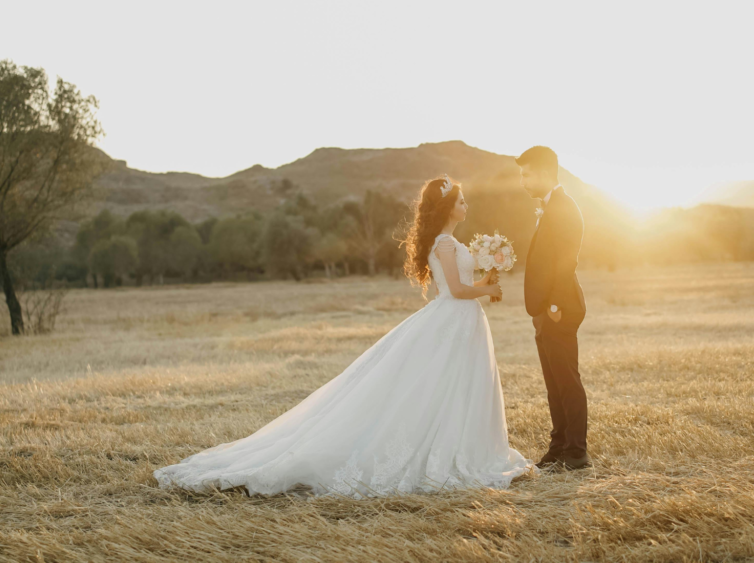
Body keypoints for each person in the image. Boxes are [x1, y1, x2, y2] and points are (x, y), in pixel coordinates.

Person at [153, 174, 535, 497]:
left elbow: (459, 284)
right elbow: (453, 290)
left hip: (460, 322)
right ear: (448, 206)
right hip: (455, 317)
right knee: (439, 387)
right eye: (462, 200)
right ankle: (448, 455)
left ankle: (464, 446)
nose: (467, 206)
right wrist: (486, 289)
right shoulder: (445, 243)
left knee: (457, 388)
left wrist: (485, 278)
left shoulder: (447, 243)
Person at [516, 146, 591, 471]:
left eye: (527, 173)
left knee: (567, 381)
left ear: (546, 173)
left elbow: (566, 259)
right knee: (553, 384)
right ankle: (558, 446)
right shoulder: (549, 207)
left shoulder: (564, 207)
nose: (523, 181)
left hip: (559, 308)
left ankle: (576, 452)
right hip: (545, 310)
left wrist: (556, 304)